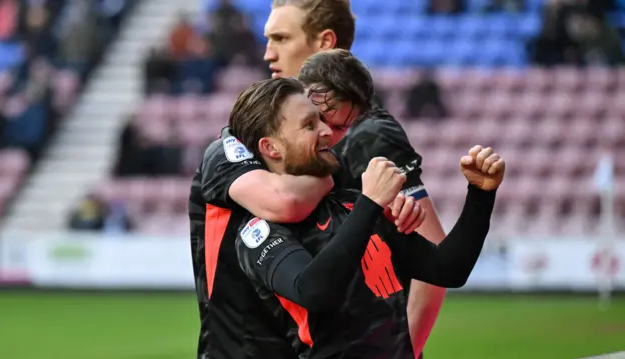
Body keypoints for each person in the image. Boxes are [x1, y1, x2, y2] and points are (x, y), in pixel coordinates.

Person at [231, 77, 504, 358]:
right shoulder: (258, 230)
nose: (326, 131)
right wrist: (370, 202)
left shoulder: (352, 204)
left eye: (321, 120)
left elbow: (448, 270)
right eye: (309, 125)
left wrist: (480, 195)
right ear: (271, 148)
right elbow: (311, 291)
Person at [263, 1, 448, 355]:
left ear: (325, 43)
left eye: (281, 38)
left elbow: (433, 262)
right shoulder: (300, 134)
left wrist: (400, 353)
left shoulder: (367, 132)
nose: (269, 53)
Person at [189, 86, 422, 357]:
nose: (269, 52)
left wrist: (393, 208)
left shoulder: (324, 157)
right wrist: (357, 192)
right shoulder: (227, 148)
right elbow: (284, 201)